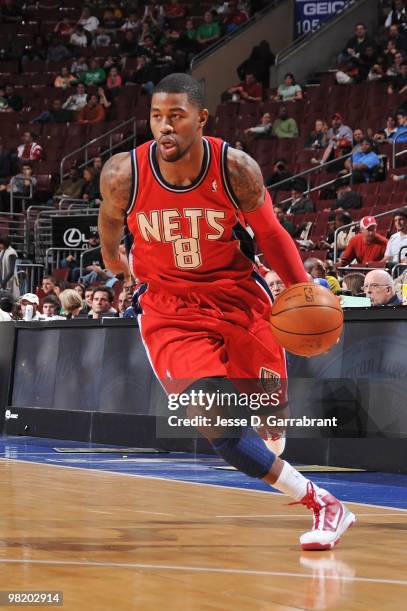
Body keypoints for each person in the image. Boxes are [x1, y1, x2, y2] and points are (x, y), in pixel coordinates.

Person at [98, 72, 355, 550]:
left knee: (271, 420)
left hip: (239, 299)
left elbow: (272, 235)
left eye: (176, 116)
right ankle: (324, 504)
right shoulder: (123, 174)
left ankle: (273, 421)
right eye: (157, 117)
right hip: (170, 309)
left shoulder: (234, 168)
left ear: (201, 118)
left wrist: (302, 290)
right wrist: (114, 257)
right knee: (216, 421)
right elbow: (110, 218)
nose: (165, 127)